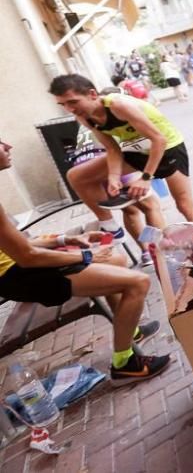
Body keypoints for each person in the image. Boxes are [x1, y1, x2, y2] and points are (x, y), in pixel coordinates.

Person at [0, 139, 170, 382]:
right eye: (0, 142)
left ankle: (130, 331)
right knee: (138, 282)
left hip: (21, 266)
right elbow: (26, 257)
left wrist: (67, 239)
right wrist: (86, 255)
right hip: (17, 277)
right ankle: (124, 363)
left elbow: (18, 246)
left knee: (116, 261)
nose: (9, 146)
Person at [49, 75, 193, 225]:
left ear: (92, 94)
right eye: (63, 105)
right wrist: (114, 177)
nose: (70, 109)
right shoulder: (84, 116)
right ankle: (109, 225)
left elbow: (159, 140)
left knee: (184, 203)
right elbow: (112, 148)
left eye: (73, 102)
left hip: (166, 149)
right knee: (76, 176)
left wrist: (145, 178)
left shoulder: (119, 105)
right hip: (135, 151)